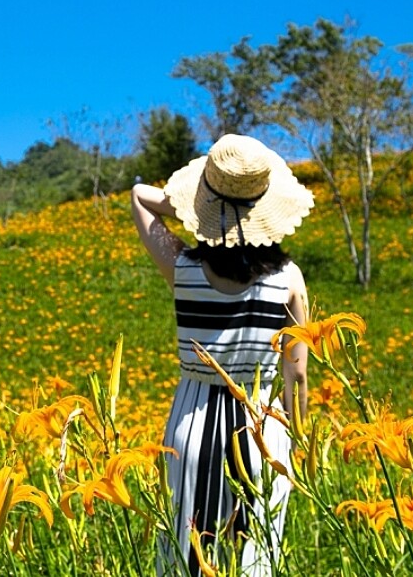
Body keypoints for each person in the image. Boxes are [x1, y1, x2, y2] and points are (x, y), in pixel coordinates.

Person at [130, 134, 313, 577]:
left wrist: (196, 209)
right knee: (254, 557)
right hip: (261, 429)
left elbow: (140, 196)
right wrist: (300, 440)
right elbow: (298, 375)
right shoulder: (289, 279)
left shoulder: (183, 268)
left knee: (185, 553)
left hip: (190, 426)